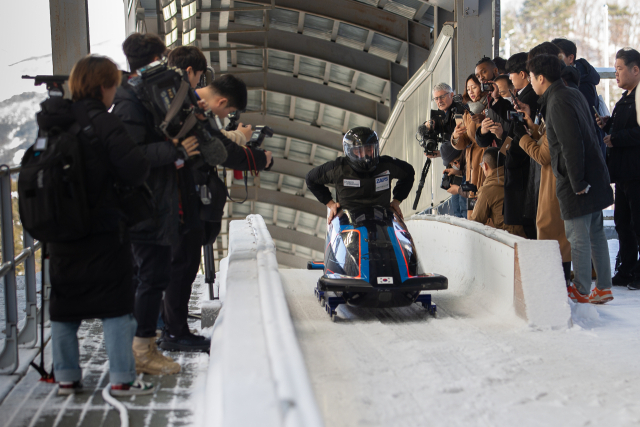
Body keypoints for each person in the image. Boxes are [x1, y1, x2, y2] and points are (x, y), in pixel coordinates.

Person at [48, 55, 154, 396]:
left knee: (64, 307)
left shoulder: (53, 123)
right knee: (116, 308)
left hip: (61, 231)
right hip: (104, 229)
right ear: (105, 86)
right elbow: (136, 169)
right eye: (114, 86)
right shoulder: (105, 123)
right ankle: (122, 378)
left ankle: (65, 377)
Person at [159, 47, 271, 351]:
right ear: (221, 102)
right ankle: (174, 332)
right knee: (181, 264)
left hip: (172, 195)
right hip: (178, 197)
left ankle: (167, 327)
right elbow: (222, 150)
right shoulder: (190, 106)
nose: (225, 118)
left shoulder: (183, 102)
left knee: (175, 263)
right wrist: (259, 159)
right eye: (226, 112)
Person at [113, 33, 201, 375]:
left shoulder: (145, 95)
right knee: (151, 275)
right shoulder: (130, 100)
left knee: (156, 273)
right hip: (143, 202)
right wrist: (176, 151)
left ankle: (145, 344)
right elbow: (131, 156)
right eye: (161, 59)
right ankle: (141, 349)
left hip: (158, 199)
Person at [529, 54, 614, 304]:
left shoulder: (557, 101)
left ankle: (582, 288)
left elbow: (571, 144)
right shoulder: (572, 92)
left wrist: (576, 182)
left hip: (577, 180)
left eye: (532, 78)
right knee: (595, 232)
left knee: (577, 236)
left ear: (541, 78)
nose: (532, 83)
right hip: (594, 174)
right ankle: (604, 287)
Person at [596, 47, 640, 290]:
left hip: (636, 172)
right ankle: (626, 269)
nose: (616, 75)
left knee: (637, 224)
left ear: (636, 70)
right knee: (623, 223)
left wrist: (617, 137)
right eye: (614, 70)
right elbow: (625, 127)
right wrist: (608, 125)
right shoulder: (626, 97)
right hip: (623, 172)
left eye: (620, 69)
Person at [306, 127, 414, 223]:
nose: (365, 156)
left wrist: (397, 200)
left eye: (368, 150)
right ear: (350, 151)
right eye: (358, 151)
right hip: (348, 223)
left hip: (382, 222)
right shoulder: (338, 168)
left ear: (375, 149)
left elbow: (409, 173)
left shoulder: (386, 165)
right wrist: (330, 204)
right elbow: (311, 179)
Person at [515, 102, 572, 284]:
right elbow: (544, 140)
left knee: (553, 232)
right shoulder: (557, 106)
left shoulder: (558, 106)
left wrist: (522, 137)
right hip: (550, 182)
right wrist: (532, 126)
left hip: (555, 182)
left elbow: (542, 155)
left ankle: (558, 284)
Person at [552, 37, 607, 159]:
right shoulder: (576, 78)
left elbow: (586, 121)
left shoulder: (581, 83)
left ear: (571, 58)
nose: (554, 62)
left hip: (588, 147)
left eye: (558, 57)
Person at [451, 75, 489, 214]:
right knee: (473, 210)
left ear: (483, 87)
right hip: (472, 168)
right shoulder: (468, 112)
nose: (471, 91)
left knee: (482, 211)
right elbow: (464, 142)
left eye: (474, 87)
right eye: (468, 88)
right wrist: (456, 135)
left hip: (484, 163)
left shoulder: (487, 108)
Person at [470, 148, 526, 237]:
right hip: (529, 232)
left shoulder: (487, 190)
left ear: (485, 166)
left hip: (511, 238)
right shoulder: (516, 175)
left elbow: (475, 222)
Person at [440, 141, 467, 218]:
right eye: (450, 164)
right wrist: (459, 171)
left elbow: (473, 190)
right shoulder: (462, 163)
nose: (453, 165)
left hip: (469, 187)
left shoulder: (470, 158)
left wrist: (458, 190)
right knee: (455, 204)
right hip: (464, 176)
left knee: (463, 204)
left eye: (454, 162)